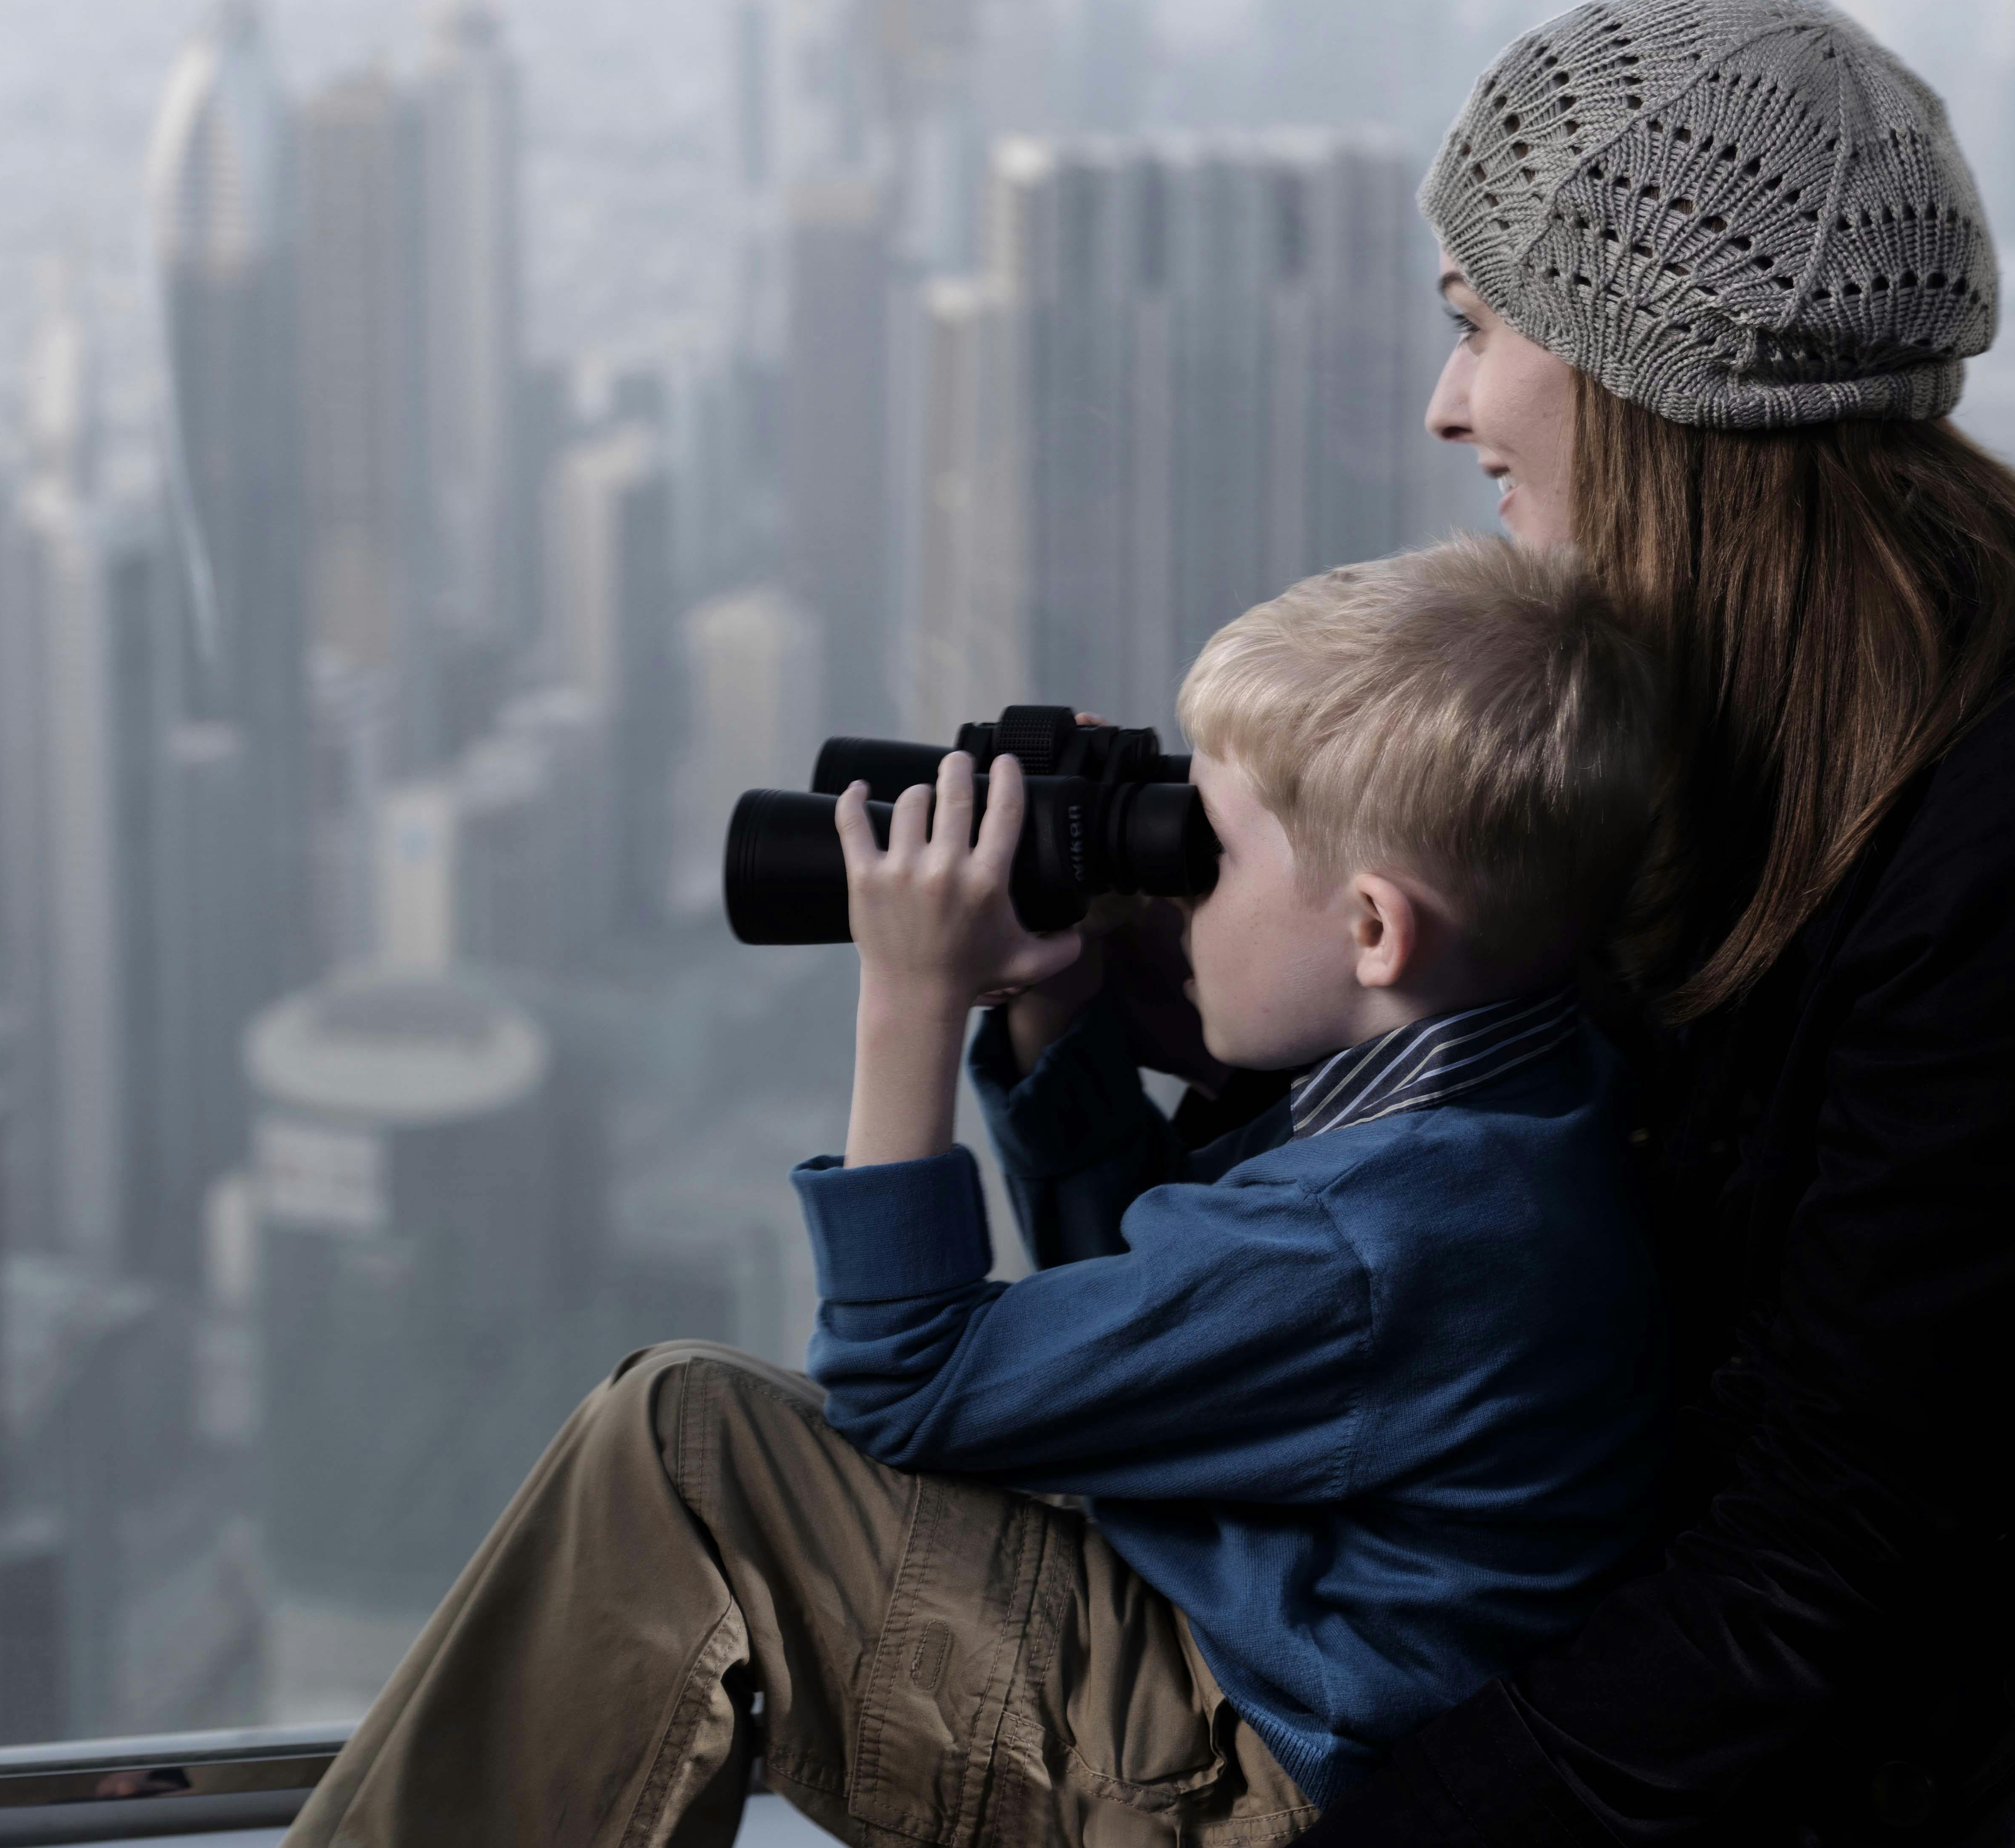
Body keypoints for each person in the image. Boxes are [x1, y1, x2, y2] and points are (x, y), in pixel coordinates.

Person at [1296, 0, 2015, 1843]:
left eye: (1478, 323)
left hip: (1891, 1799)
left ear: (1639, 367)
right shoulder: (1717, 731)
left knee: (692, 1471)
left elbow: (1841, 1568)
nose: (1451, 404)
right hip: (1644, 1732)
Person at [284, 537, 1673, 1847]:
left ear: (1374, 928)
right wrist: (1058, 997)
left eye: (1215, 857)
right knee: (689, 1425)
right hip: (1259, 1679)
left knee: (684, 1442)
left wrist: (913, 997)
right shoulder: (1514, 1104)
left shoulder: (1373, 1234)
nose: (1179, 898)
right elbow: (1146, 1333)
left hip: (1239, 1784)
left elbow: (908, 1379)